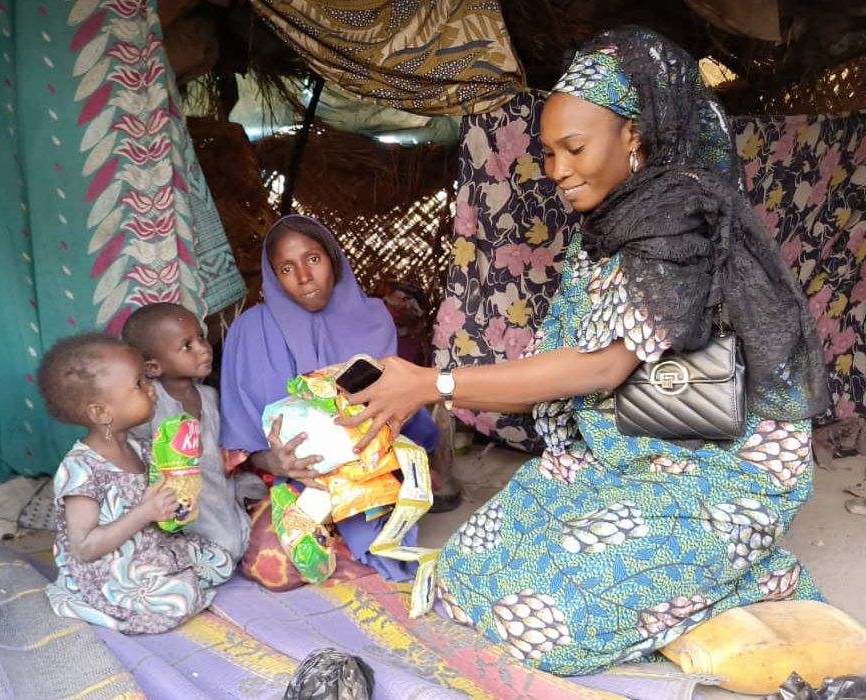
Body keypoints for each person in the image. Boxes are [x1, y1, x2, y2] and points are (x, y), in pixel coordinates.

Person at [338, 26, 829, 674]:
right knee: (466, 572)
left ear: (634, 135)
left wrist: (435, 384)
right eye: (548, 152)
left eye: (574, 147)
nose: (558, 170)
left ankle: (753, 575)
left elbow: (600, 366)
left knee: (546, 629)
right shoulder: (613, 222)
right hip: (632, 454)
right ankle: (687, 585)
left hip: (719, 474)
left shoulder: (676, 221)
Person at [220, 214, 442, 582]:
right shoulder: (250, 331)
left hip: (367, 472)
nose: (304, 278)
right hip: (292, 480)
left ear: (333, 259)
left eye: (313, 259)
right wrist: (278, 462)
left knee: (376, 523)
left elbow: (389, 410)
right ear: (273, 277)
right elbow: (240, 441)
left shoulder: (372, 318)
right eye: (287, 268)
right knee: (271, 563)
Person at [38, 333, 234, 634]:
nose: (152, 389)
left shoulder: (140, 447)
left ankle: (172, 574)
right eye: (139, 384)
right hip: (111, 568)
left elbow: (164, 505)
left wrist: (177, 497)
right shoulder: (82, 468)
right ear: (101, 412)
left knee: (220, 560)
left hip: (150, 547)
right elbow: (85, 548)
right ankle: (110, 598)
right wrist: (145, 512)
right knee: (179, 600)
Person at [121, 302, 266, 563]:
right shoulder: (150, 404)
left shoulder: (210, 396)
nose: (203, 348)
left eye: (200, 337)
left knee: (257, 497)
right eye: (187, 346)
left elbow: (224, 449)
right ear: (153, 367)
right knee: (222, 544)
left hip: (217, 487)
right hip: (177, 497)